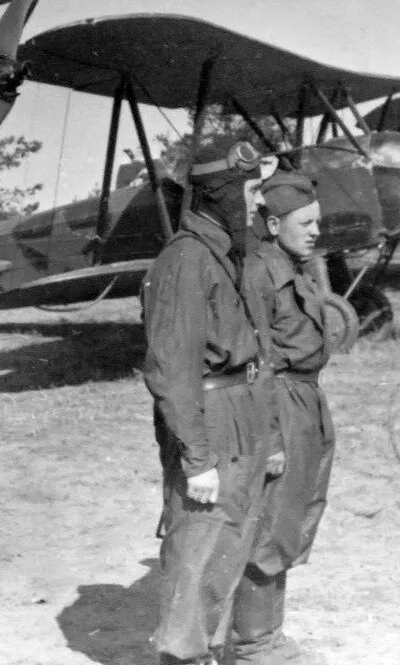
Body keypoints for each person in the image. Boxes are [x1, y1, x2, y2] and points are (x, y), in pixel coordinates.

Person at [140, 139, 279, 665]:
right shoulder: (185, 261)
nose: (261, 203)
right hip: (211, 415)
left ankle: (206, 651)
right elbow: (172, 370)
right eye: (251, 190)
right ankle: (182, 656)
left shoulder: (228, 256)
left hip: (240, 410)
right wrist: (196, 458)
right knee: (198, 546)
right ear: (222, 195)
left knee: (231, 545)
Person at [232, 171, 334, 665]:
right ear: (273, 225)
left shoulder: (293, 266)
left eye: (318, 222)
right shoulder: (260, 271)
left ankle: (269, 633)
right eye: (305, 223)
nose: (316, 231)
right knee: (270, 521)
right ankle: (254, 643)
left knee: (293, 515)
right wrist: (270, 437)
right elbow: (257, 361)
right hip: (281, 403)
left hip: (307, 401)